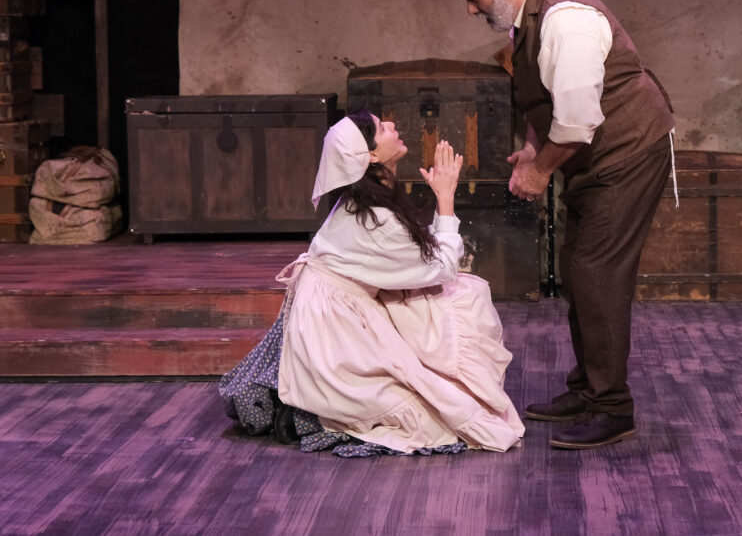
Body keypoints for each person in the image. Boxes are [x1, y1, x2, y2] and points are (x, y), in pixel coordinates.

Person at [441, 0, 676, 449]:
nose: (470, 9)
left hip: (627, 153)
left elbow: (576, 122)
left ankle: (612, 408)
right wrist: (532, 148)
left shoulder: (566, 21)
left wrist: (540, 171)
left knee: (596, 273)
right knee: (580, 269)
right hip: (594, 156)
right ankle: (589, 390)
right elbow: (543, 98)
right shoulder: (526, 13)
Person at [219, 110, 525, 456]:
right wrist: (445, 198)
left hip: (339, 308)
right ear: (373, 156)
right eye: (382, 127)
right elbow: (442, 267)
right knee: (461, 302)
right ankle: (314, 409)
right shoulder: (374, 219)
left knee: (459, 295)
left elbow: (422, 261)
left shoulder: (369, 204)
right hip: (335, 327)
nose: (392, 125)